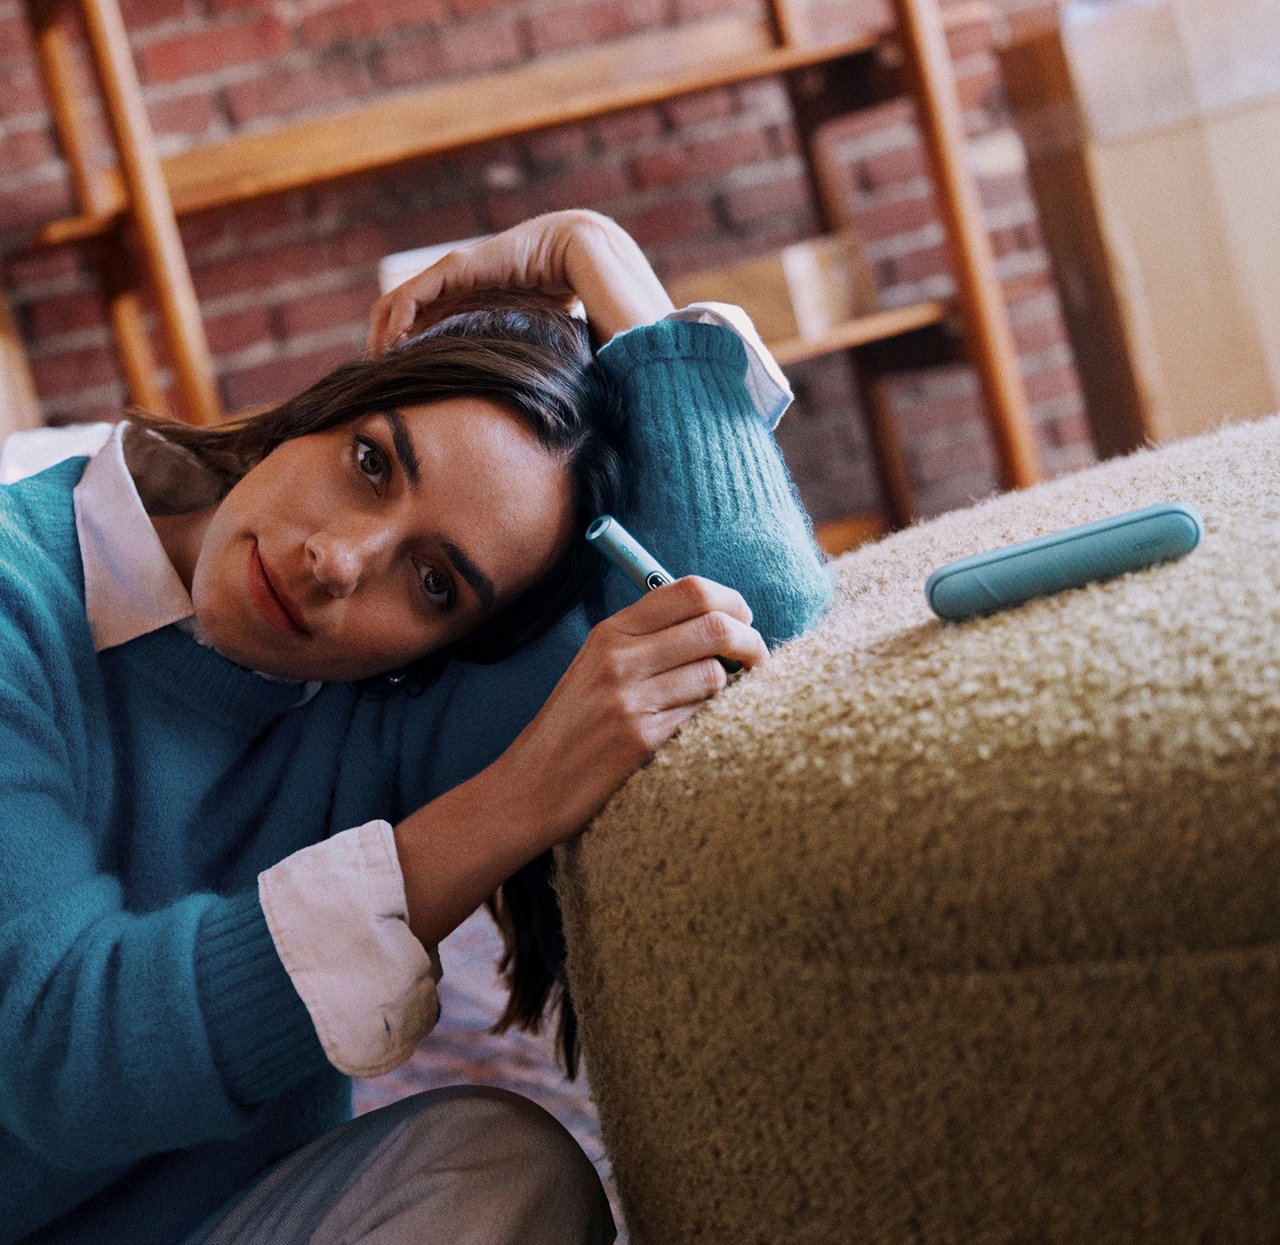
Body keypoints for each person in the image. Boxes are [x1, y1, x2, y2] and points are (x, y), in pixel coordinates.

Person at [0, 210, 831, 1243]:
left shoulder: (385, 689)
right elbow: (63, 1057)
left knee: (500, 1167)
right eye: (370, 464)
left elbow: (740, 612)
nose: (338, 563)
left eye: (434, 581)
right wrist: (518, 795)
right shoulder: (13, 594)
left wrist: (597, 253)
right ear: (332, 402)